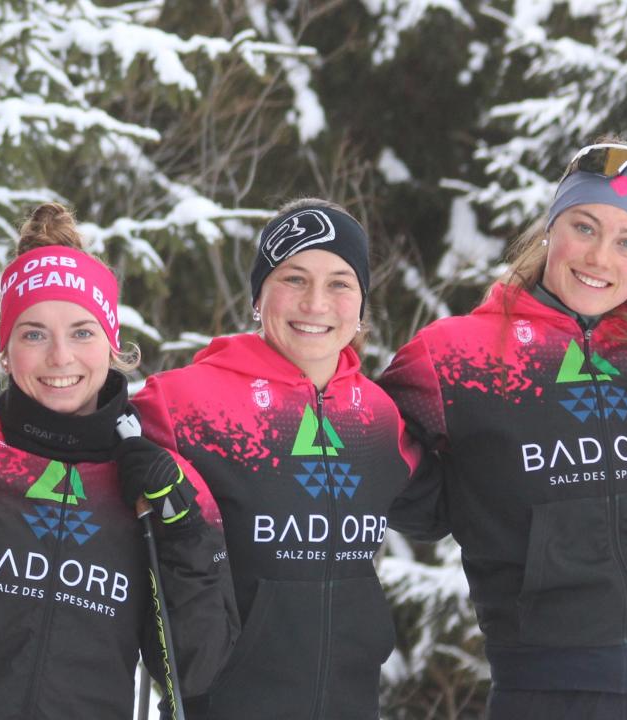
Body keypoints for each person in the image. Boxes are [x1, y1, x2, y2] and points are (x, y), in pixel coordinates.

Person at [377, 139, 627, 719]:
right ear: (551, 229)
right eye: (585, 227)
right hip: (549, 688)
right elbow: (374, 454)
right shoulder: (458, 356)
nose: (600, 258)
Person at [0, 203, 234, 718]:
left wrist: (183, 534)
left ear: (113, 345)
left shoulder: (158, 484)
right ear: (4, 351)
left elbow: (194, 671)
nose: (60, 357)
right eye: (34, 334)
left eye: (82, 332)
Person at [130, 199, 416, 720]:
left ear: (361, 304)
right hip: (225, 703)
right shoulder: (184, 402)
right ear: (259, 296)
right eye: (294, 278)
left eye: (339, 283)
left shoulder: (379, 416)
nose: (316, 303)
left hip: (351, 704)